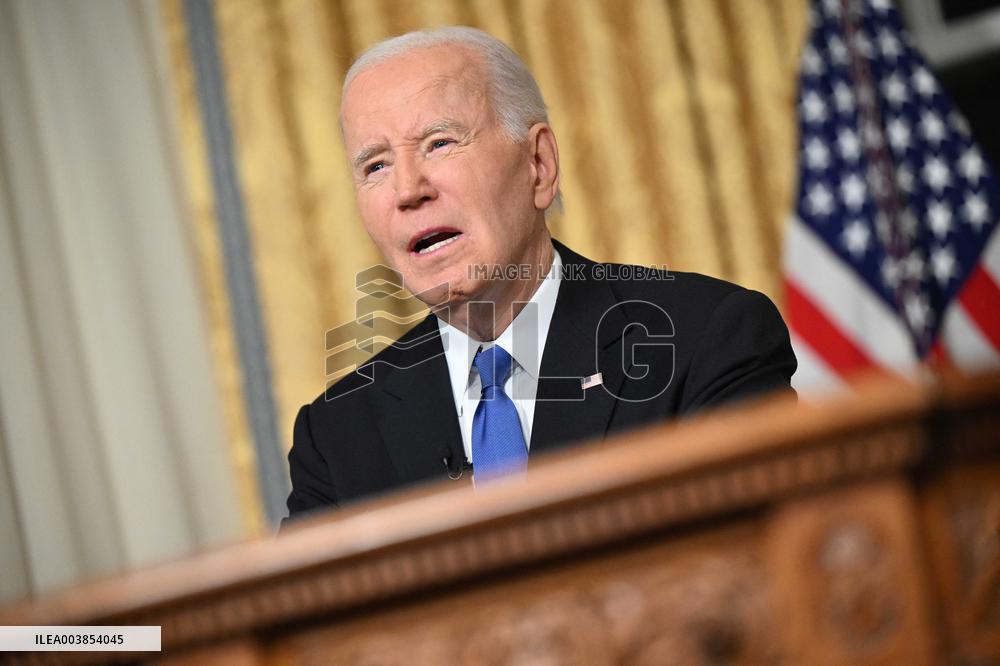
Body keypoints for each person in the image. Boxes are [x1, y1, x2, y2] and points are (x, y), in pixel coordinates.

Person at [284, 26, 796, 521]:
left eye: (439, 143)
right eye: (375, 165)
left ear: (539, 164)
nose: (407, 190)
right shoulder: (335, 436)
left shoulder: (707, 340)